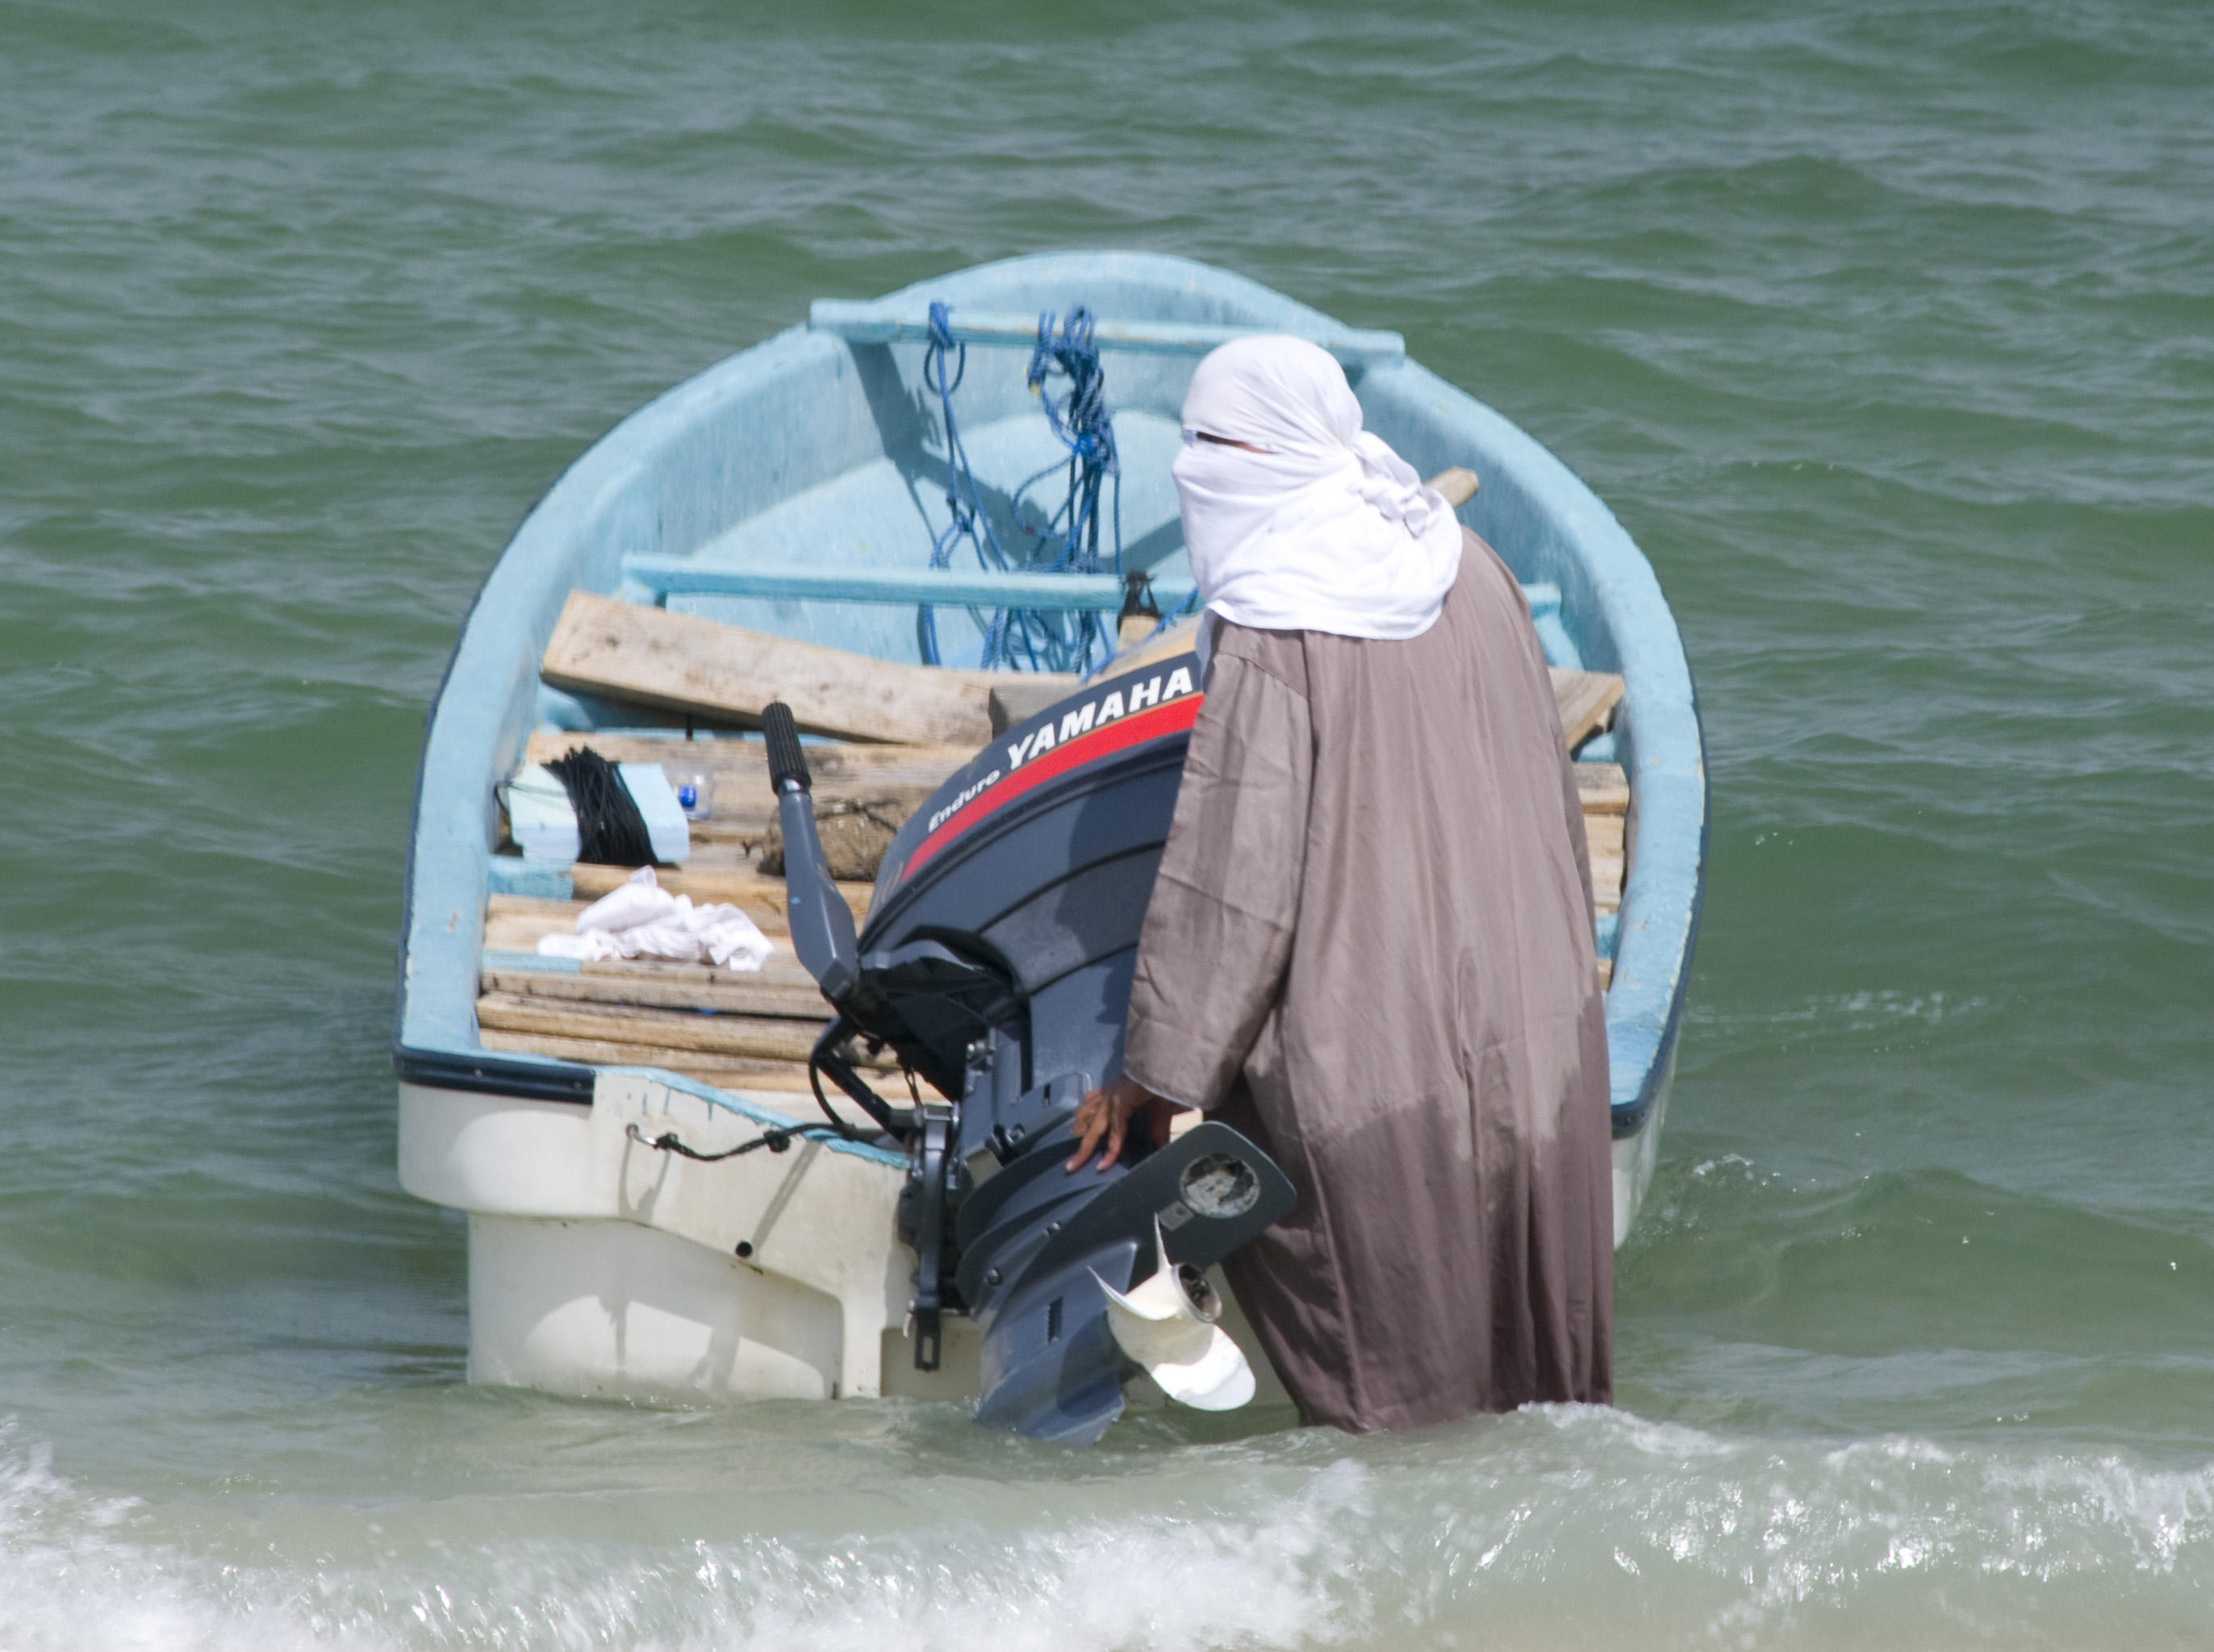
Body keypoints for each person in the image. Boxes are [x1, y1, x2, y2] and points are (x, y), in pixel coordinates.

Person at [1065, 336, 1613, 1433]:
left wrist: (1155, 1073)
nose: (1194, 472)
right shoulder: (1471, 563)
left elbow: (1238, 884)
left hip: (1389, 1067)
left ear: (1258, 455)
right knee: (1544, 1408)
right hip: (1546, 1042)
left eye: (1211, 446)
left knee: (1402, 1410)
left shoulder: (1278, 623)